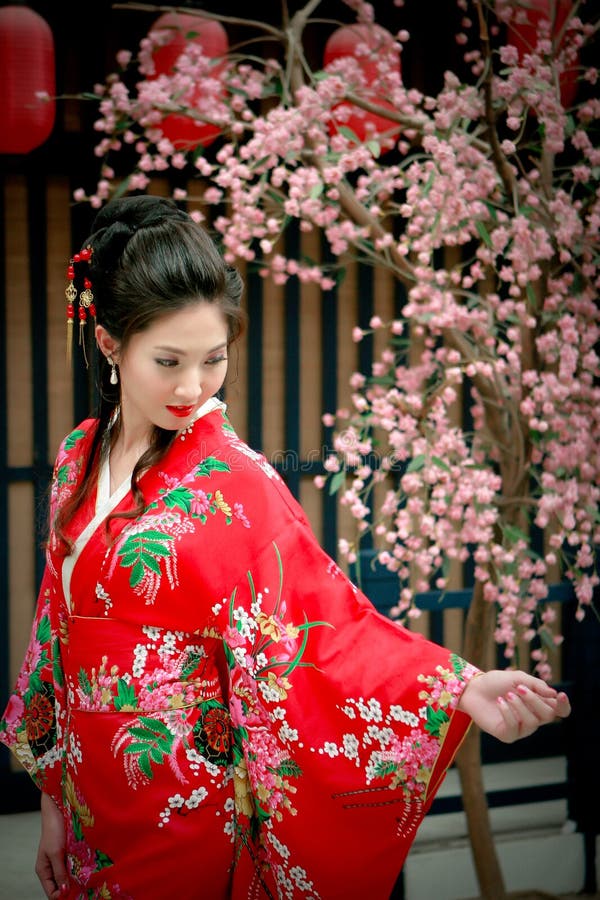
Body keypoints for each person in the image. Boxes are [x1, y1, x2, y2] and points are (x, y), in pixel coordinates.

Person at [0, 195, 570, 900]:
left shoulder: (235, 480)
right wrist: (54, 804)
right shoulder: (75, 459)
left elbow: (321, 624)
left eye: (213, 359)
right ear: (112, 344)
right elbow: (54, 632)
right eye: (168, 360)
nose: (192, 387)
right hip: (88, 793)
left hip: (185, 800)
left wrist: (456, 687)